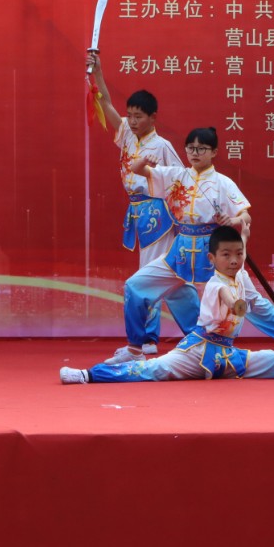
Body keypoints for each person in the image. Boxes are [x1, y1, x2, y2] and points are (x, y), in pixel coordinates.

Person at [103, 127, 274, 364]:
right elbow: (139, 170)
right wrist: (144, 161)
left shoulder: (223, 183)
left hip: (215, 253)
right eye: (191, 148)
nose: (195, 153)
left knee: (254, 303)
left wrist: (232, 221)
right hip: (180, 252)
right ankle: (136, 349)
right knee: (136, 286)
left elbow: (246, 216)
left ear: (214, 152)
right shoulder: (176, 175)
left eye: (202, 149)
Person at [61, 226, 274, 383]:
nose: (233, 260)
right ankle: (87, 375)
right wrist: (239, 305)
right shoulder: (216, 284)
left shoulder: (240, 274)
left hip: (228, 356)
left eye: (239, 254)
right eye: (226, 255)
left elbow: (241, 239)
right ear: (212, 259)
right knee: (148, 370)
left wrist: (242, 229)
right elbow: (232, 301)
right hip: (194, 353)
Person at [87, 49, 183, 354]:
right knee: (165, 277)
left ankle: (148, 339)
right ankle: (189, 333)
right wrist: (97, 72)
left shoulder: (162, 146)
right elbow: (105, 102)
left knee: (148, 274)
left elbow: (182, 181)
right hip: (139, 211)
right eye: (130, 115)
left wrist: (182, 218)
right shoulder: (127, 134)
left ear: (153, 117)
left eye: (138, 116)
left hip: (158, 211)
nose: (132, 120)